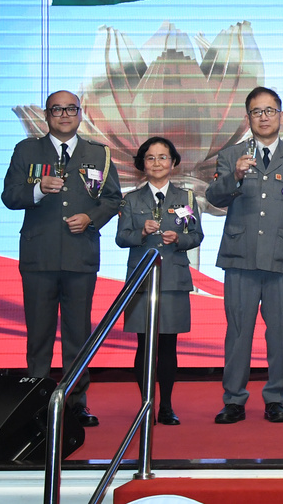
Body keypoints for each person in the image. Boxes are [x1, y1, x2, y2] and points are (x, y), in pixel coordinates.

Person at [1, 90, 121, 427]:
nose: (65, 115)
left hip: (80, 256)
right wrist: (38, 189)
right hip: (38, 257)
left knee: (77, 334)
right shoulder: (27, 150)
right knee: (39, 335)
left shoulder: (99, 153)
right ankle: (35, 403)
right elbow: (10, 196)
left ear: (80, 114)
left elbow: (113, 199)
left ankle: (75, 402)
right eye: (57, 109)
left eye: (71, 109)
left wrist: (91, 218)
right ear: (46, 115)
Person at [207, 87, 283, 424]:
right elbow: (214, 197)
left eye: (270, 111)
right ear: (248, 118)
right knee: (238, 332)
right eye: (257, 112)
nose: (264, 117)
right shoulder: (232, 155)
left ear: (281, 116)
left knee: (281, 333)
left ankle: (275, 399)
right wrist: (235, 176)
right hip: (240, 257)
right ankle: (234, 400)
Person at [115, 137, 202, 426]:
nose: (157, 163)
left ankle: (166, 406)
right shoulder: (131, 200)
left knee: (168, 346)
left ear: (173, 162)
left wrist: (179, 239)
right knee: (144, 345)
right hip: (142, 281)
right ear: (142, 164)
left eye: (163, 157)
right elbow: (121, 238)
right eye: (150, 158)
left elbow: (196, 236)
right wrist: (141, 232)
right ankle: (146, 405)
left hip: (174, 279)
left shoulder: (186, 198)